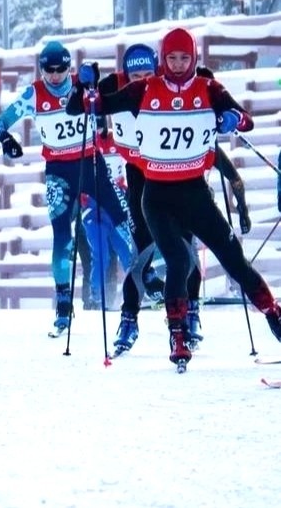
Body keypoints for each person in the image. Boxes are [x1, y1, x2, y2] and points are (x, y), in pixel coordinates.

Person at [67, 27, 281, 369]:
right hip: (157, 195)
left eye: (184, 58)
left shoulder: (208, 88)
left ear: (193, 58)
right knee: (179, 261)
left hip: (195, 193)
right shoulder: (144, 89)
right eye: (172, 58)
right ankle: (178, 334)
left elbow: (247, 121)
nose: (178, 64)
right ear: (163, 59)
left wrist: (232, 118)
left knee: (233, 258)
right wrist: (83, 85)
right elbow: (89, 107)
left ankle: (272, 313)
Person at [104, 47, 251, 354]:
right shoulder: (120, 89)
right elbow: (84, 101)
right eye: (134, 75)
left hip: (174, 177)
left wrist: (215, 103)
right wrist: (86, 86)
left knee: (185, 251)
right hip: (139, 177)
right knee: (141, 252)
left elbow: (213, 151)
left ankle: (191, 314)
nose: (141, 80)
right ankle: (129, 319)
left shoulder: (166, 90)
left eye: (148, 74)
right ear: (125, 75)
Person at [0, 41, 132, 336]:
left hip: (91, 163)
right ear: (41, 69)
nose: (54, 76)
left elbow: (112, 82)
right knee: (62, 237)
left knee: (121, 219)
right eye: (48, 70)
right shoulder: (34, 94)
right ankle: (63, 305)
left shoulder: (82, 84)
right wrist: (7, 140)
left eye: (60, 70)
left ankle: (146, 279)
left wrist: (93, 75)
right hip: (58, 171)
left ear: (69, 68)